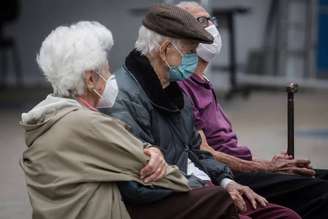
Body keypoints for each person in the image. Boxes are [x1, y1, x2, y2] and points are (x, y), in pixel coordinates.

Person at [19, 21, 239, 219]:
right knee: (217, 198)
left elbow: (127, 152)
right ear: (90, 79)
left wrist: (146, 149)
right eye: (105, 70)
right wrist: (195, 180)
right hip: (106, 211)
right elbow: (162, 178)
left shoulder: (47, 115)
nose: (111, 76)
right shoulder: (89, 124)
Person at [101, 3, 301, 219]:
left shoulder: (174, 90)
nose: (194, 58)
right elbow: (138, 184)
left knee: (284, 216)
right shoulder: (124, 96)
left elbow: (196, 150)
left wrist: (228, 181)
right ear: (166, 49)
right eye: (190, 51)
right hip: (166, 201)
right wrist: (206, 188)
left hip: (195, 190)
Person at [176, 1, 328, 219]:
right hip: (229, 176)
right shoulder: (182, 85)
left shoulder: (204, 82)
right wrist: (265, 168)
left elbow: (229, 147)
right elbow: (204, 152)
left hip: (246, 167)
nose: (211, 27)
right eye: (201, 21)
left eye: (211, 21)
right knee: (321, 194)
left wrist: (270, 163)